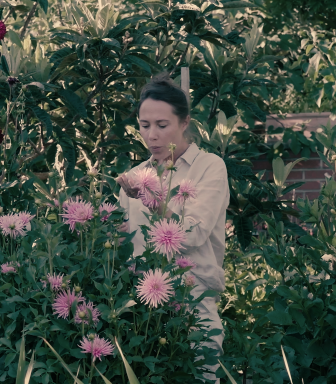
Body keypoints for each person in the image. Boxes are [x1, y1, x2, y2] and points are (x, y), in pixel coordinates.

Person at [116, 73, 230, 383]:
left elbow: (193, 233)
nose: (152, 135)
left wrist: (153, 201)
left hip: (194, 308)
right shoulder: (134, 176)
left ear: (184, 123)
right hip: (143, 315)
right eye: (144, 125)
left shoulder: (210, 167)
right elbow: (124, 250)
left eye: (162, 125)